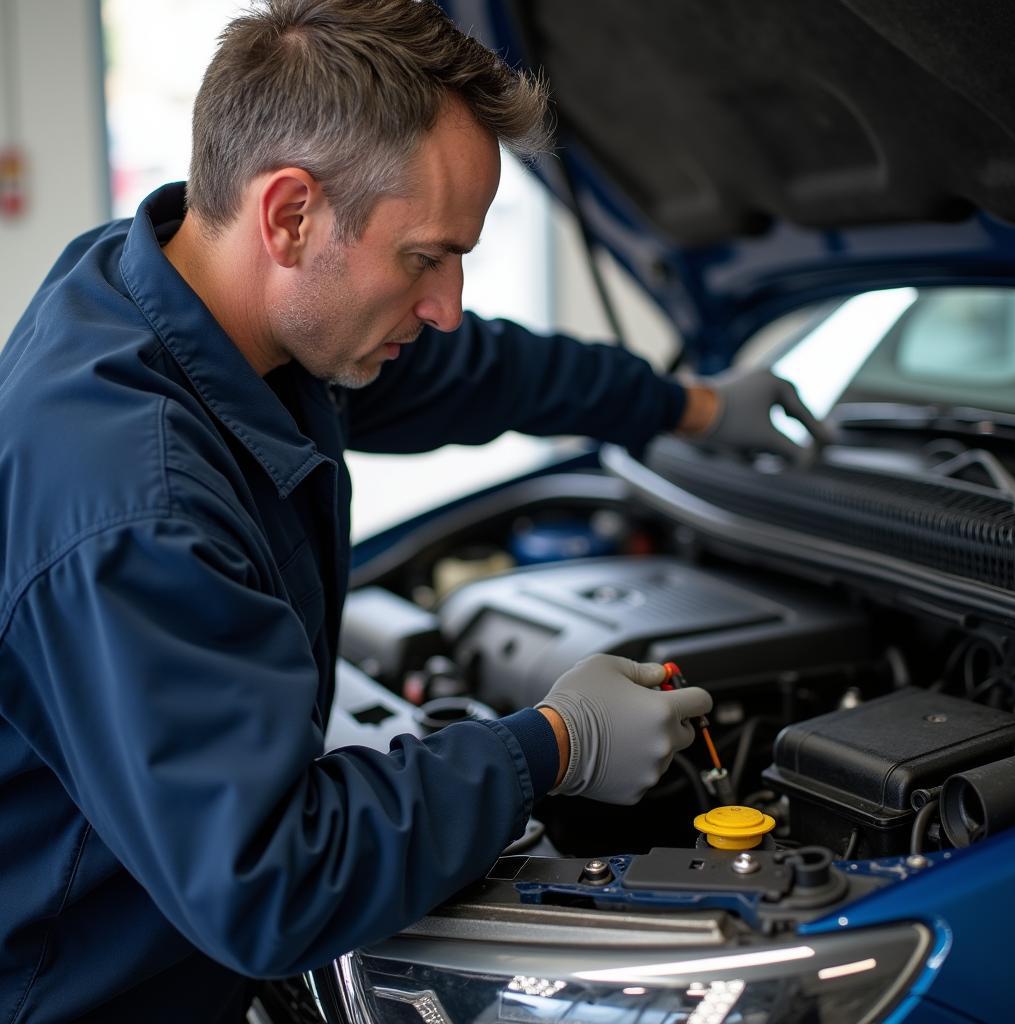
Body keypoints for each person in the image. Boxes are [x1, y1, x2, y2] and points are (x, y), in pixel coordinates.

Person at [0, 1, 825, 1020]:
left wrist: (689, 405)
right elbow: (275, 878)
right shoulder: (137, 501)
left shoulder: (176, 293)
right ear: (289, 214)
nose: (444, 302)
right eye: (426, 258)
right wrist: (553, 744)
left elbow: (471, 369)